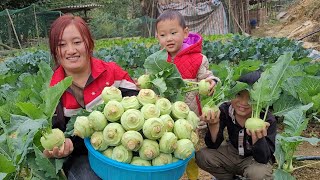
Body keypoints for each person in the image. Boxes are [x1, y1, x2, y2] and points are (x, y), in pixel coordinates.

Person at [43, 14, 139, 180]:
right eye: (61, 45)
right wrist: (59, 147)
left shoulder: (113, 73)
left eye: (77, 42)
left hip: (122, 147)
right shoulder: (52, 90)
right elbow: (56, 131)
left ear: (89, 43)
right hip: (81, 157)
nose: (71, 50)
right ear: (55, 51)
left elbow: (137, 108)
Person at [155, 9, 220, 180]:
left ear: (185, 33)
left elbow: (206, 76)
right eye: (163, 35)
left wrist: (211, 81)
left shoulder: (198, 58)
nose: (168, 38)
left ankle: (193, 177)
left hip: (190, 114)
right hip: (166, 115)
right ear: (157, 38)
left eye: (173, 33)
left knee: (188, 149)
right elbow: (153, 84)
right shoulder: (158, 61)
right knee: (166, 147)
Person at [195, 70, 276, 180]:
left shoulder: (266, 119)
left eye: (251, 98)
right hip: (232, 152)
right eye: (238, 94)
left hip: (253, 160)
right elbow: (213, 145)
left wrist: (258, 139)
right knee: (203, 156)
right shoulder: (225, 109)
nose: (243, 103)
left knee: (260, 175)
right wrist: (214, 124)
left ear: (260, 99)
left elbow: (264, 158)